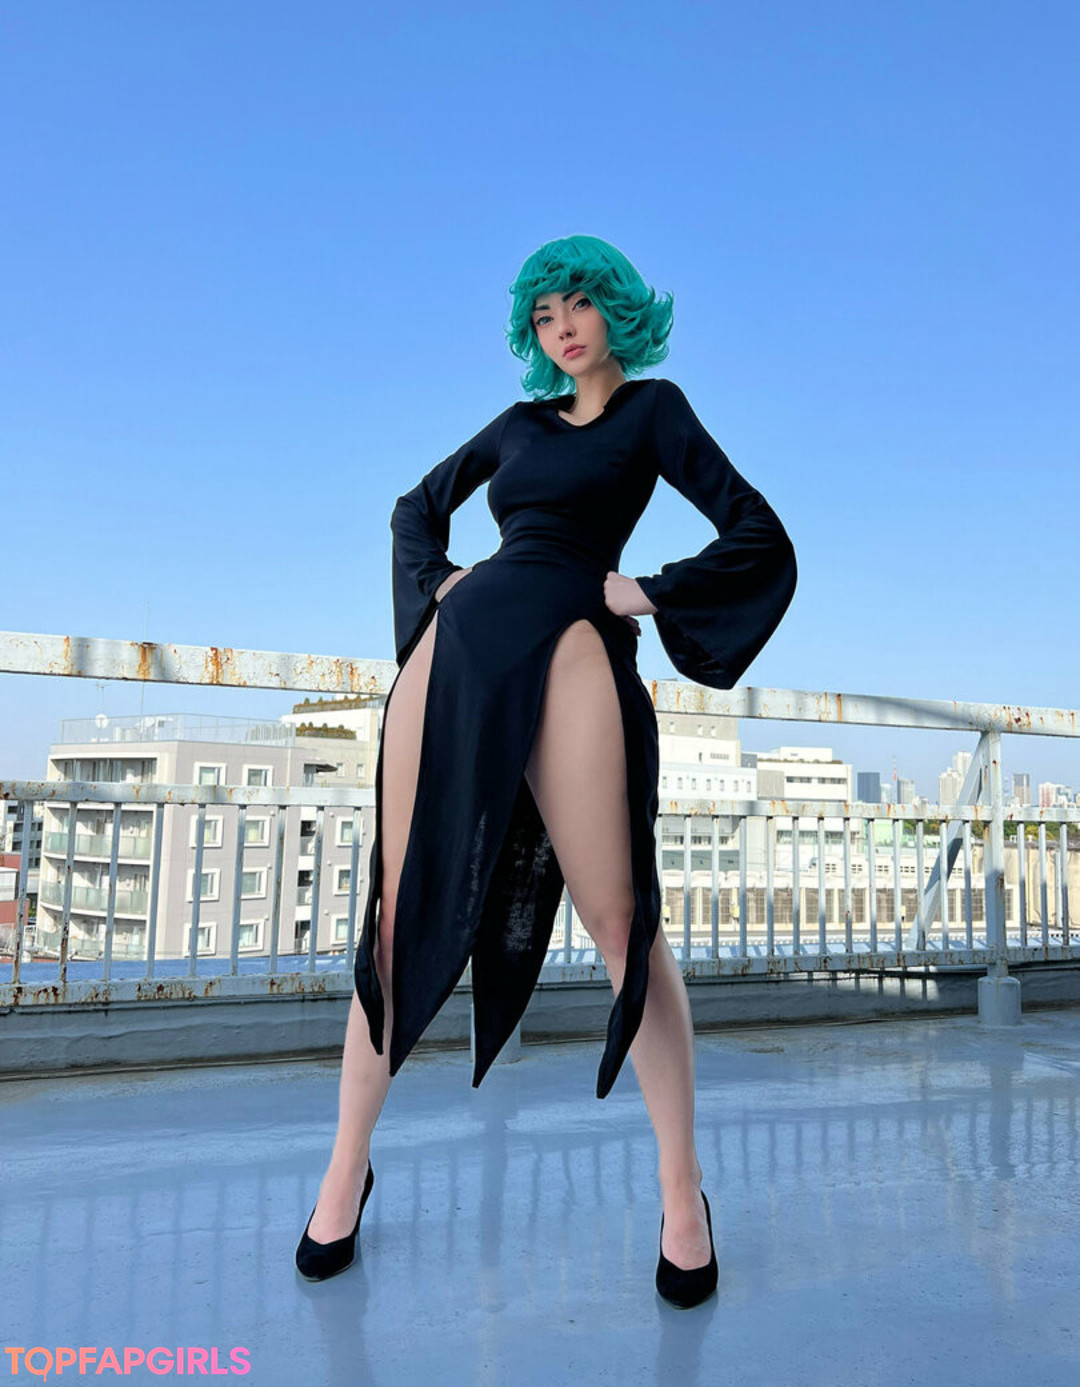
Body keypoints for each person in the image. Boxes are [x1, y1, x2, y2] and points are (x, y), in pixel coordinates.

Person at [295, 235, 797, 1307]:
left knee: (621, 925)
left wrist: (648, 589)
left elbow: (759, 533)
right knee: (397, 907)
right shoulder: (518, 425)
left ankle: (682, 1190)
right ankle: (345, 1167)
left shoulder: (654, 411)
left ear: (618, 309)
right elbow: (414, 507)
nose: (562, 326)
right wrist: (439, 582)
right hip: (462, 645)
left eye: (579, 304)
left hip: (573, 643)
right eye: (543, 314)